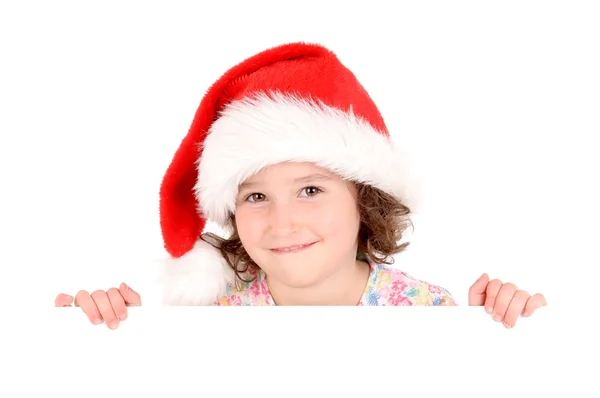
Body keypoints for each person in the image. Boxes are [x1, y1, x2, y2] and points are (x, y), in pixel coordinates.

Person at [54, 41, 546, 329]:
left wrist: (497, 333)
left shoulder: (426, 316)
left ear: (365, 202)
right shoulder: (216, 320)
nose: (282, 222)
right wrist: (118, 339)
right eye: (256, 196)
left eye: (311, 190)